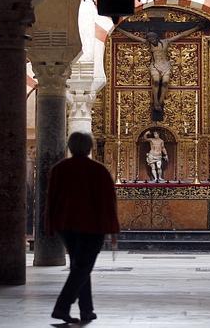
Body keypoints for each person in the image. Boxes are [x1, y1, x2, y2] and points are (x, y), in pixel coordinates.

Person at [46, 132, 120, 324]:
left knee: (79, 266)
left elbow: (51, 200)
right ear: (90, 147)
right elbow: (107, 202)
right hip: (92, 226)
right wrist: (112, 229)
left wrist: (50, 224)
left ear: (69, 147)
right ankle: (62, 307)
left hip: (66, 225)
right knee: (82, 268)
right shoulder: (98, 170)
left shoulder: (59, 169)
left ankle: (87, 310)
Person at [117, 23, 205, 112]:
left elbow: (182, 35)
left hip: (166, 65)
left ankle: (161, 101)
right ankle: (155, 101)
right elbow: (132, 37)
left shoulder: (165, 42)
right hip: (155, 66)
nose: (151, 40)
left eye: (152, 38)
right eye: (149, 39)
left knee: (165, 83)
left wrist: (197, 27)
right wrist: (118, 29)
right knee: (156, 81)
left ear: (156, 38)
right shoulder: (148, 43)